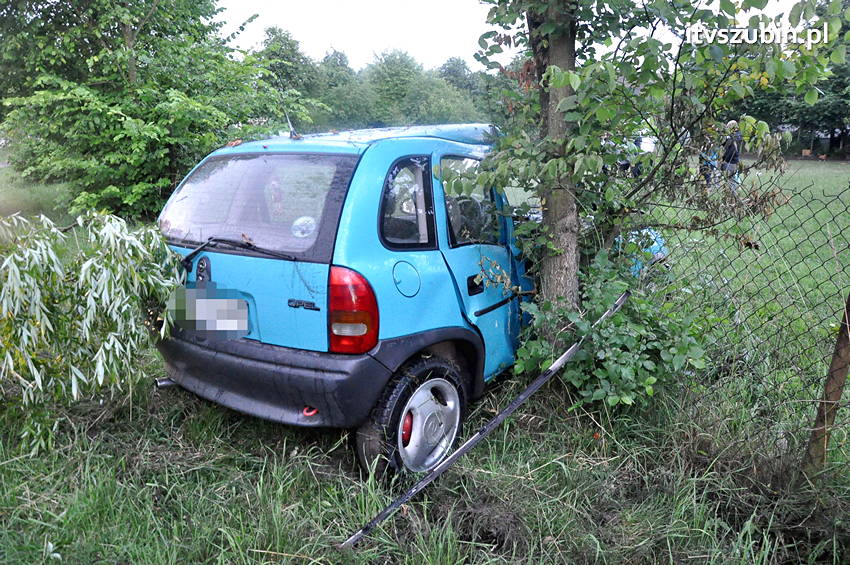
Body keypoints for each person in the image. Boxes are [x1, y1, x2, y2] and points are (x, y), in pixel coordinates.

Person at [721, 120, 742, 192]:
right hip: (734, 159)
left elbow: (732, 150)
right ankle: (733, 190)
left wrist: (725, 159)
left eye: (729, 126)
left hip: (731, 160)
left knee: (731, 177)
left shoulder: (733, 137)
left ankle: (733, 192)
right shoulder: (736, 136)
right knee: (731, 177)